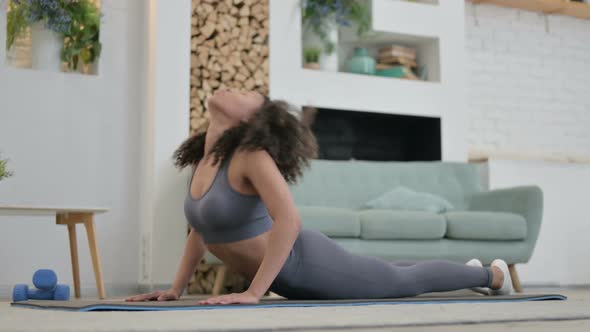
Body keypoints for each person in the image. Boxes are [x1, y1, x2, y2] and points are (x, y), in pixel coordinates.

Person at [126, 88, 512, 305]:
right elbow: (201, 227)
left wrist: (254, 293)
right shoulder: (205, 159)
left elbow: (290, 220)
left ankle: (490, 275)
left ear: (250, 121)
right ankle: (474, 268)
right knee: (391, 270)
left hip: (307, 265)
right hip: (292, 278)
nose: (233, 87)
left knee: (400, 282)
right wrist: (176, 288)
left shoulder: (251, 156)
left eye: (247, 93)